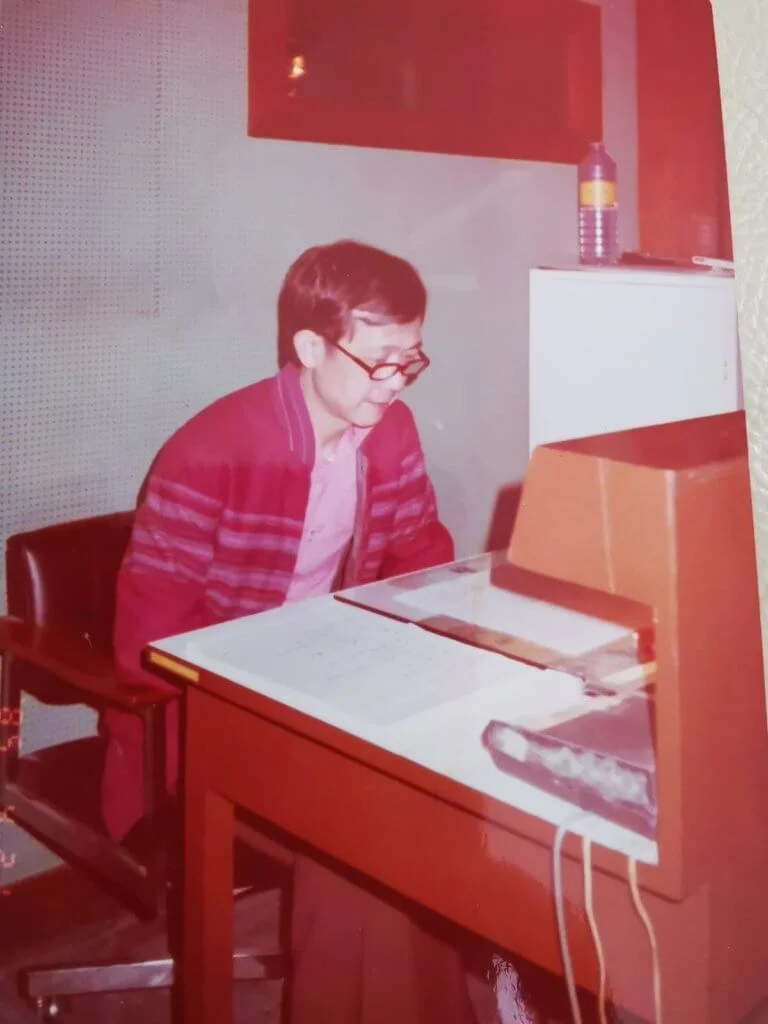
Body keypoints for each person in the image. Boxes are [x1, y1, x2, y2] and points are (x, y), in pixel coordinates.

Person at [103, 239, 496, 1023]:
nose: (395, 383)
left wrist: (451, 638)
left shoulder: (388, 431)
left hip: (326, 694)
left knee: (440, 791)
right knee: (365, 832)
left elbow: (420, 555)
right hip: (196, 725)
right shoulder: (211, 451)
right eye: (378, 361)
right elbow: (148, 649)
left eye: (410, 361)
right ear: (312, 347)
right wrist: (299, 685)